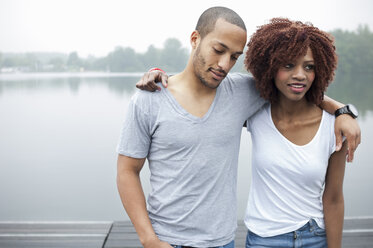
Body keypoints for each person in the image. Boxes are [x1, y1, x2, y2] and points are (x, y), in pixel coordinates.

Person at [117, 6, 360, 248]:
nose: (224, 64)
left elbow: (293, 88)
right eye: (218, 50)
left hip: (222, 242)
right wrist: (148, 239)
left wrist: (342, 111)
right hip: (165, 240)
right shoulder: (149, 99)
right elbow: (127, 171)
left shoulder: (241, 93)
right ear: (195, 39)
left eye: (234, 56)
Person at [242, 18, 347, 247]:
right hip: (264, 238)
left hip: (314, 237)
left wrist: (344, 113)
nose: (300, 74)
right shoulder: (254, 113)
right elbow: (203, 96)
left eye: (308, 66)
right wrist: (159, 75)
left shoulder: (335, 127)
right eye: (288, 65)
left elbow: (334, 199)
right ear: (269, 67)